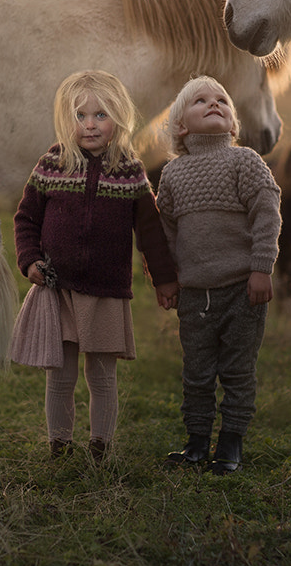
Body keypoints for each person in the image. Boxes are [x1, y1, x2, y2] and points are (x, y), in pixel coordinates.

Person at [14, 70, 178, 462]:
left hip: (106, 292)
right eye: (80, 116)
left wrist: (165, 279)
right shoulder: (51, 165)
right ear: (65, 120)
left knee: (102, 377)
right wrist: (30, 260)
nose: (90, 124)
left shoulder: (129, 171)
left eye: (101, 115)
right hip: (59, 289)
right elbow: (26, 219)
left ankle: (100, 446)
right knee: (61, 375)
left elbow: (150, 230)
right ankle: (60, 446)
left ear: (119, 118)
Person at [156, 76, 281, 475]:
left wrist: (261, 269)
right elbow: (167, 233)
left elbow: (267, 215)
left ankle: (230, 445)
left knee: (237, 371)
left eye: (222, 100)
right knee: (196, 373)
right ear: (180, 126)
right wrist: (169, 277)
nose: (215, 104)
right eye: (200, 101)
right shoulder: (173, 175)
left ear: (233, 123)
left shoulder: (245, 161)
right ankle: (195, 443)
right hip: (194, 296)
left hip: (241, 291)